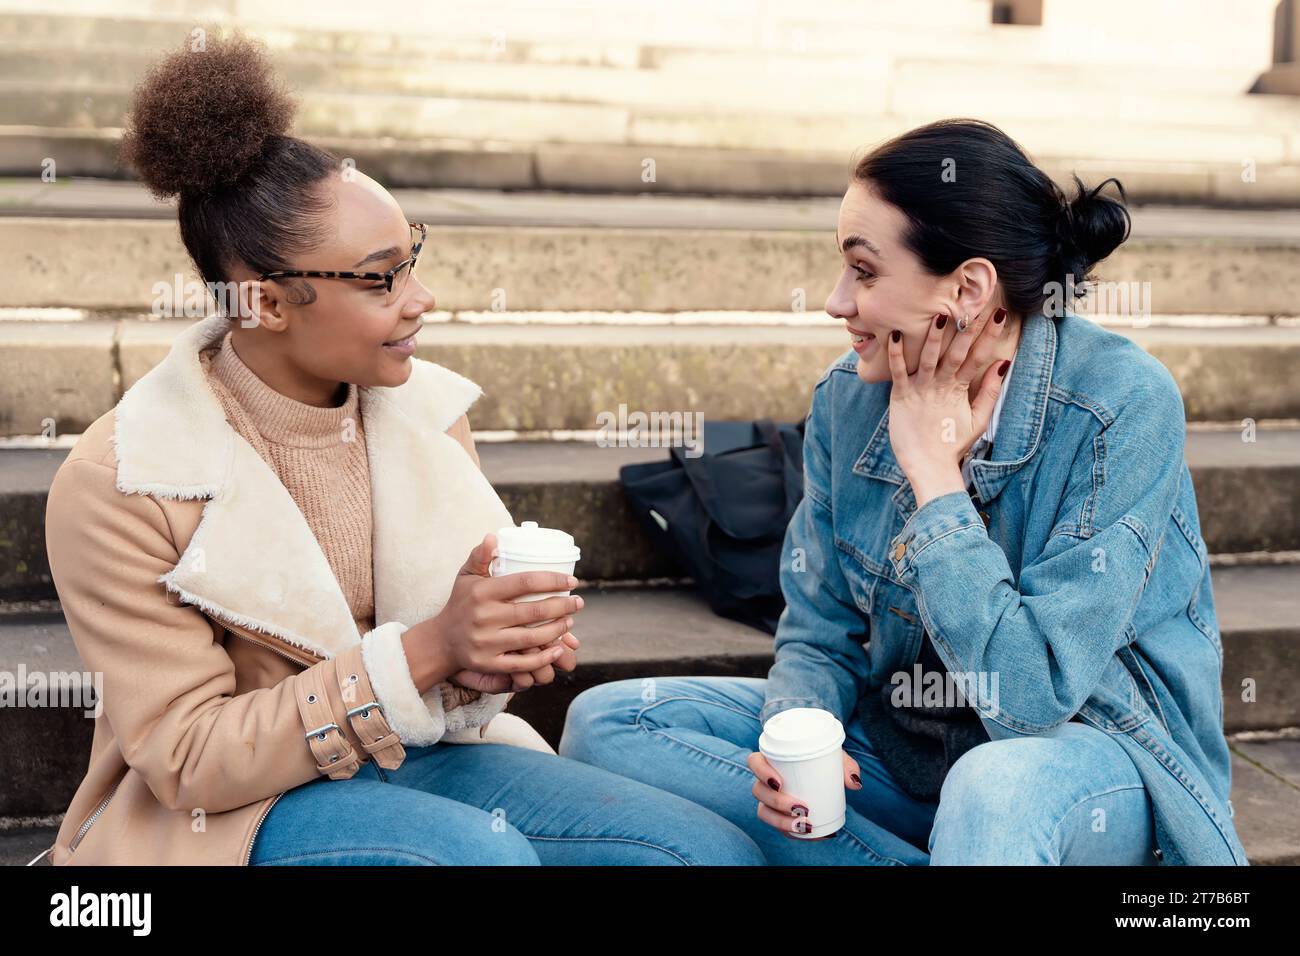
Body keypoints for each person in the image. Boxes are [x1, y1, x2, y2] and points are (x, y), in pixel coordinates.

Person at [41, 35, 764, 867]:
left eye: (410, 258)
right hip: (231, 815)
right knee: (482, 861)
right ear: (269, 303)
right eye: (381, 279)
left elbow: (447, 673)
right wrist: (432, 649)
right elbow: (192, 759)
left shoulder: (423, 409)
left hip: (413, 757)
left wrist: (491, 656)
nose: (420, 299)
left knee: (700, 853)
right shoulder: (124, 478)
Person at [560, 119, 1248, 866]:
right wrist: (799, 734)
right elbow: (820, 625)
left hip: (1088, 764)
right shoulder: (845, 400)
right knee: (612, 724)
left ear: (969, 286)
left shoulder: (1119, 404)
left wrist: (933, 476)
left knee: (992, 789)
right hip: (907, 750)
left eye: (863, 271)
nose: (834, 302)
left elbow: (1030, 694)